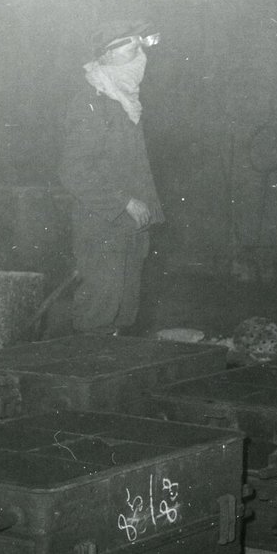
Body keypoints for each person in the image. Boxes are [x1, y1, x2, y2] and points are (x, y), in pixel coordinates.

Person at [59, 21, 164, 334]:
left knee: (124, 311)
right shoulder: (93, 102)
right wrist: (124, 203)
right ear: (105, 56)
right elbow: (73, 170)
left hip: (129, 227)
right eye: (128, 44)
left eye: (139, 43)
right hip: (102, 226)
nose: (138, 50)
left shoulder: (125, 101)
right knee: (100, 310)